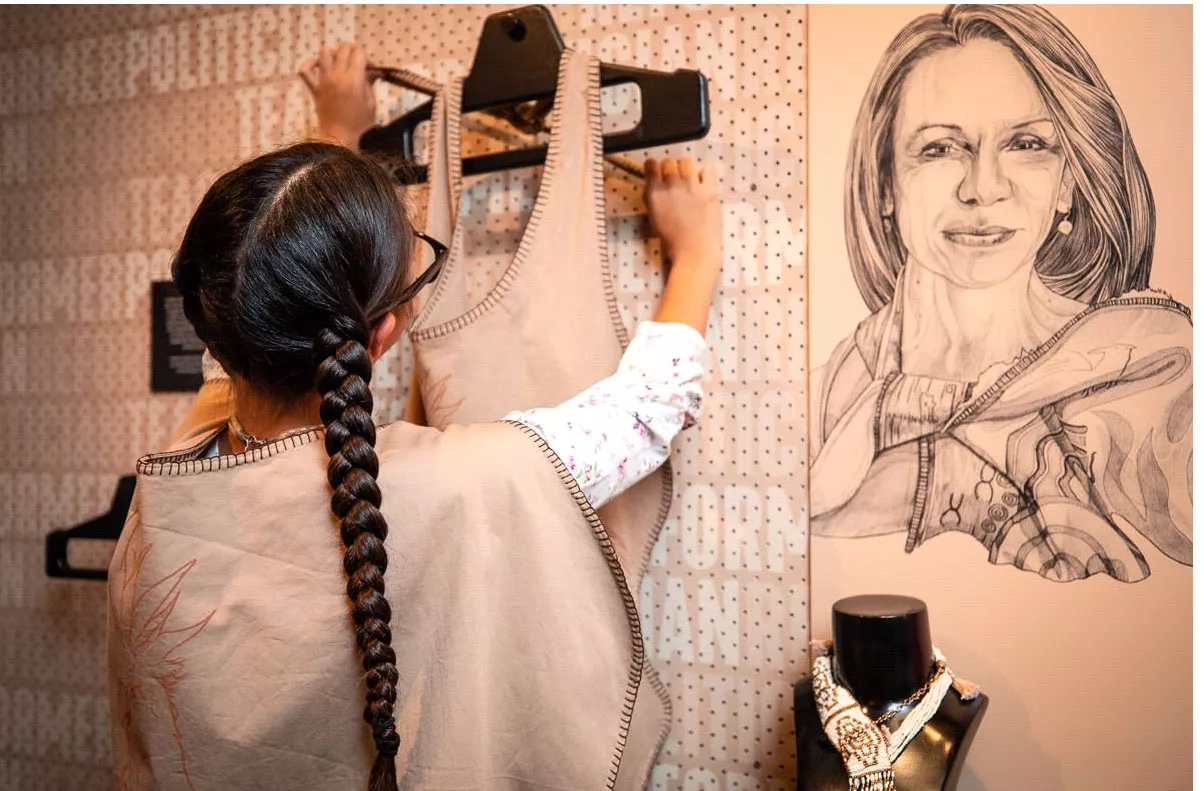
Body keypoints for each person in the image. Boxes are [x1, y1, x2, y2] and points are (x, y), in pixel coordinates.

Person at [107, 43, 723, 790]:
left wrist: (337, 127)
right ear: (382, 333)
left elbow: (281, 272)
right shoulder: (474, 478)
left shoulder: (172, 477)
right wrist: (695, 258)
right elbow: (649, 405)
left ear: (214, 327)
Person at [809, 4, 1191, 583]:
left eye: (1027, 144)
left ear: (1068, 182)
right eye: (940, 148)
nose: (982, 187)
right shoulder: (825, 395)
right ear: (884, 182)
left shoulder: (1155, 366)